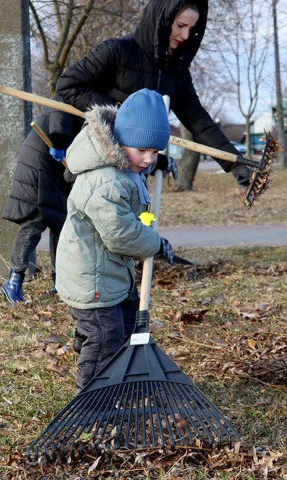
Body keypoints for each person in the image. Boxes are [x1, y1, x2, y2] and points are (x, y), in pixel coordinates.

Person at [1, 0, 248, 304]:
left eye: (192, 29)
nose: (185, 35)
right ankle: (39, 284)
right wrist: (125, 116)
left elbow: (199, 121)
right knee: (49, 216)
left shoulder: (176, 71)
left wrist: (234, 162)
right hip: (61, 141)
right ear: (162, 20)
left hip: (108, 157)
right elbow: (68, 85)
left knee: (81, 221)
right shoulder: (118, 51)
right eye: (180, 26)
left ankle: (72, 289)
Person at [55, 89, 176, 391]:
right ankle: (91, 397)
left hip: (110, 273)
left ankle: (95, 349)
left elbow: (134, 180)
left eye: (156, 153)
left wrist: (152, 164)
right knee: (106, 336)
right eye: (143, 151)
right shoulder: (106, 181)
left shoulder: (124, 163)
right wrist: (155, 243)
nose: (148, 159)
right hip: (92, 279)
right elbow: (120, 235)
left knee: (126, 319)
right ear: (122, 142)